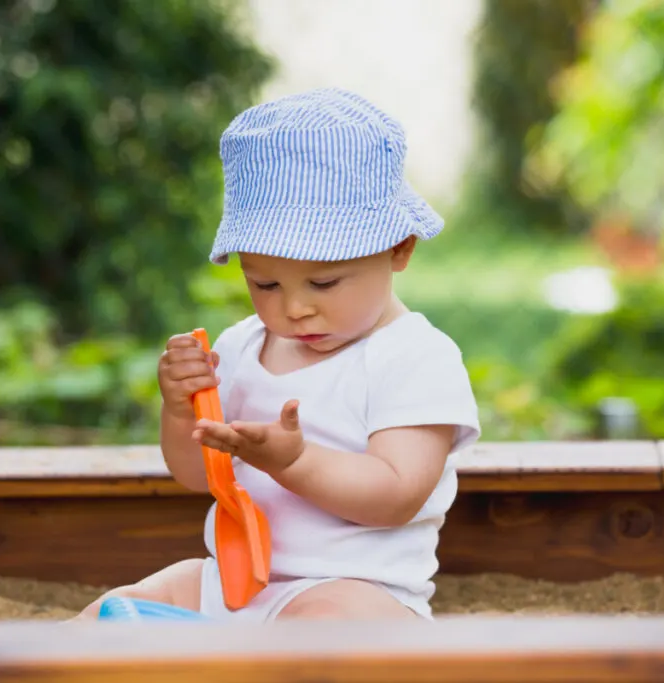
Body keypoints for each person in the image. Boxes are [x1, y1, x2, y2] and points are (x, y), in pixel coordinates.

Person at [76, 87, 481, 622]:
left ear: (399, 247)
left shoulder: (415, 358)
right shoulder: (241, 348)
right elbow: (199, 475)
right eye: (265, 283)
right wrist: (179, 409)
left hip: (357, 591)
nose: (294, 309)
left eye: (324, 282)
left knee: (320, 631)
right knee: (111, 611)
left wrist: (295, 461)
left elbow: (396, 494)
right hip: (233, 579)